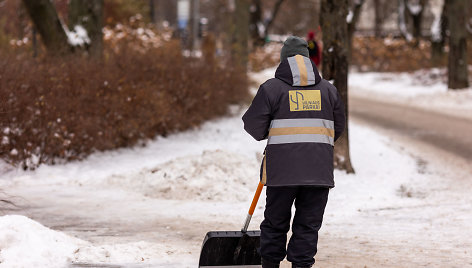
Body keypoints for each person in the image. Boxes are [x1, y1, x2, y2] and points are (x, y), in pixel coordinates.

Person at [242, 36, 345, 268]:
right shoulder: (329, 91)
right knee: (308, 227)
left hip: (281, 174)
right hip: (318, 173)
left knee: (275, 223)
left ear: (283, 60)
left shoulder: (271, 89)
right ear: (309, 60)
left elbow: (253, 127)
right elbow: (336, 129)